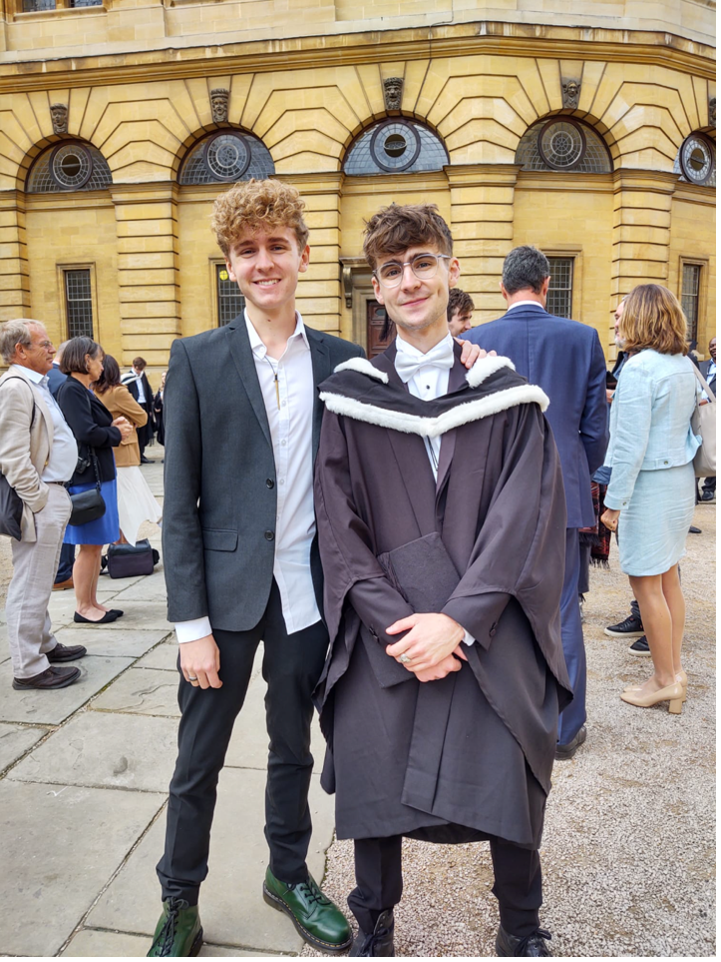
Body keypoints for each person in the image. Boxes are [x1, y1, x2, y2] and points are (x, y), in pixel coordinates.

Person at [314, 204, 570, 959]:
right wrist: (401, 624)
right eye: (391, 269)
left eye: (421, 262)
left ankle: (519, 927)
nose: (408, 280)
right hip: (386, 628)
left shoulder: (506, 395)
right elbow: (338, 526)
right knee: (371, 759)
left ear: (451, 273)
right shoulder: (352, 397)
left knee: (510, 762)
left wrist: (455, 620)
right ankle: (375, 925)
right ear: (378, 288)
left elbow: (524, 518)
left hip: (484, 625)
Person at [462, 245, 608, 760]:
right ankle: (565, 730)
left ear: (503, 289)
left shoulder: (474, 340)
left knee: (496, 608)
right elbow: (595, 431)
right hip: (564, 491)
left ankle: (507, 720)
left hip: (494, 495)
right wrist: (573, 474)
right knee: (563, 610)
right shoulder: (583, 338)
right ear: (546, 285)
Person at [600, 285, 700, 714]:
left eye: (622, 315)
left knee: (645, 584)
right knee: (668, 579)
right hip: (678, 480)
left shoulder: (640, 369)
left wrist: (613, 504)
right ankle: (673, 671)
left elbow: (628, 447)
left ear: (641, 317)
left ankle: (664, 679)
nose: (616, 321)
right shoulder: (683, 364)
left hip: (649, 485)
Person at [0, 319, 87, 691]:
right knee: (30, 582)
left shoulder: (35, 383)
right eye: (45, 344)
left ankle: (44, 644)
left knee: (42, 577)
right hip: (40, 497)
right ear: (20, 350)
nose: (53, 350)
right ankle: (29, 667)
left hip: (51, 492)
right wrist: (37, 499)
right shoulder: (15, 388)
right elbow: (12, 455)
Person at [55, 337, 132, 625]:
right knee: (88, 546)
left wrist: (110, 427)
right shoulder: (71, 390)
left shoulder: (80, 389)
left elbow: (90, 427)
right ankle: (83, 606)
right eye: (99, 359)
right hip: (88, 479)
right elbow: (85, 432)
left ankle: (92, 602)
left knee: (95, 544)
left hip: (98, 476)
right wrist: (116, 434)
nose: (102, 364)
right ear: (85, 360)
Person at [94, 355, 162, 545]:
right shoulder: (117, 392)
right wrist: (127, 423)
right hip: (123, 453)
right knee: (129, 502)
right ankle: (124, 547)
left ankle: (121, 546)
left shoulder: (94, 391)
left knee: (119, 502)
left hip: (107, 453)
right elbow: (142, 417)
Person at [46, 341, 76, 591]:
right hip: (57, 470)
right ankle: (62, 572)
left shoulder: (48, 377)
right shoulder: (61, 380)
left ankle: (61, 570)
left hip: (54, 466)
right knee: (64, 517)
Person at [122, 356, 154, 462]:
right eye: (138, 369)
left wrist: (150, 409)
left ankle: (141, 454)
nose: (139, 372)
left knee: (144, 431)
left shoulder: (142, 376)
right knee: (136, 431)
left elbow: (147, 391)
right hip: (134, 406)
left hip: (144, 405)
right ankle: (136, 455)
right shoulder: (127, 377)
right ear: (133, 366)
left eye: (141, 370)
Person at [699, 336, 716, 501]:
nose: (714, 348)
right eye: (712, 345)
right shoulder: (702, 366)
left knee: (713, 449)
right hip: (699, 411)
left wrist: (706, 400)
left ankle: (709, 487)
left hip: (714, 411)